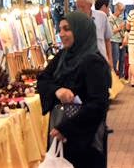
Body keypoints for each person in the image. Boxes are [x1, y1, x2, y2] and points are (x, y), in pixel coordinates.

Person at [38, 11, 111, 168]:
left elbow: (98, 105)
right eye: (60, 29)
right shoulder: (63, 56)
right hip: (62, 137)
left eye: (67, 29)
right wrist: (58, 91)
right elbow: (43, 80)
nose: (61, 34)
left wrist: (66, 128)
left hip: (86, 140)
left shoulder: (94, 62)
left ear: (80, 30)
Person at [75, 0, 112, 66]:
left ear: (90, 5)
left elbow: (107, 40)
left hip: (101, 60)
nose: (79, 9)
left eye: (82, 7)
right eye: (77, 7)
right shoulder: (74, 19)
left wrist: (110, 59)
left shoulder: (102, 16)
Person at [109, 2, 127, 79]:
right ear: (116, 9)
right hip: (114, 40)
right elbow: (110, 31)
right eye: (120, 10)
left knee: (122, 59)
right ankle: (113, 77)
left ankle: (121, 76)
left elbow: (124, 30)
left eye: (123, 10)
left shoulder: (121, 18)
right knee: (115, 59)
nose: (121, 12)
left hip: (121, 40)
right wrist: (120, 28)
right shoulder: (110, 18)